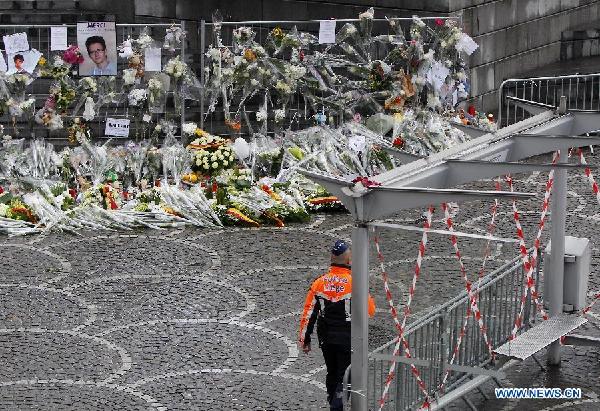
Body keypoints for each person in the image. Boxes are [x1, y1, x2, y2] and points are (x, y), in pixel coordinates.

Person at [299, 240, 376, 411]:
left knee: (332, 372)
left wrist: (305, 339)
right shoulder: (354, 283)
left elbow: (308, 313)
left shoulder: (319, 283)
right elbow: (370, 310)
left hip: (326, 338)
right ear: (349, 261)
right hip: (347, 338)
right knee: (345, 374)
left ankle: (332, 399)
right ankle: (337, 405)